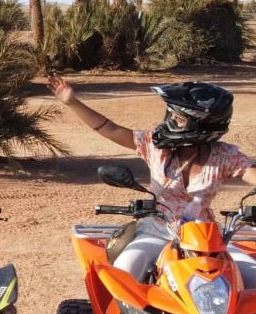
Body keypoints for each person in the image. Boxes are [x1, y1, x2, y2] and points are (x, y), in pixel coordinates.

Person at [47, 76, 256, 285]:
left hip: (206, 237)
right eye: (171, 116)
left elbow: (251, 173)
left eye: (178, 119)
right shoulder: (156, 147)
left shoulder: (224, 156)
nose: (170, 122)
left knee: (252, 276)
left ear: (202, 125)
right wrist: (72, 102)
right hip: (157, 231)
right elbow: (111, 129)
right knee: (122, 277)